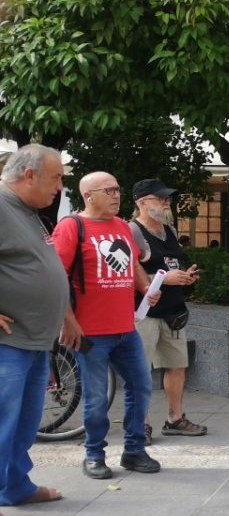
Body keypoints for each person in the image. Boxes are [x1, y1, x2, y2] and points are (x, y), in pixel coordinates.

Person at [53, 171, 162, 479]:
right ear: (89, 196)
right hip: (90, 333)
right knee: (96, 397)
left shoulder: (121, 227)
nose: (117, 195)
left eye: (118, 189)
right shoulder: (71, 227)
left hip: (125, 328)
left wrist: (145, 288)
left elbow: (133, 262)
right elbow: (56, 278)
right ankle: (94, 455)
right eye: (109, 190)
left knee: (140, 387)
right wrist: (70, 322)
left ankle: (134, 450)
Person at [0, 144, 67, 516]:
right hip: (9, 341)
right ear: (29, 175)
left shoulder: (27, 212)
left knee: (23, 423)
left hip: (34, 338)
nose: (59, 187)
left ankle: (15, 486)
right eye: (56, 178)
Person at [129, 179, 207, 440]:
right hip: (144, 313)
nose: (166, 202)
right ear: (141, 203)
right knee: (140, 369)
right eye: (159, 198)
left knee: (176, 366)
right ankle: (142, 424)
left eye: (167, 198)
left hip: (173, 311)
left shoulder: (171, 230)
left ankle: (175, 418)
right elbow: (126, 274)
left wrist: (185, 276)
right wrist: (162, 279)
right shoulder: (133, 232)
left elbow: (171, 266)